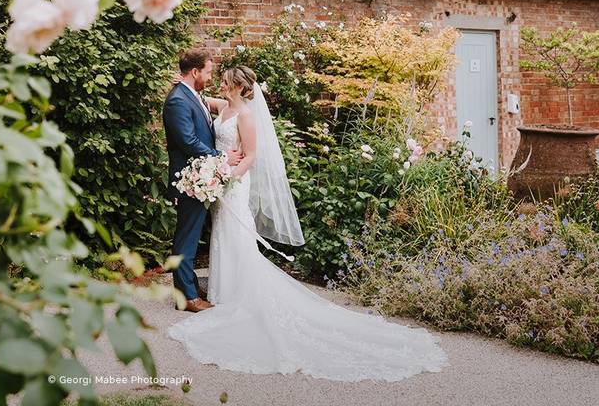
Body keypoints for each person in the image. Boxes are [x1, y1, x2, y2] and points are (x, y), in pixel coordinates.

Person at [167, 65, 448, 381]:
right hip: (220, 182)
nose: (220, 83)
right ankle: (223, 292)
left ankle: (240, 294)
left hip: (234, 183)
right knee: (222, 233)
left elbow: (251, 156)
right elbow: (200, 103)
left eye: (225, 81)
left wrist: (225, 175)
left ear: (236, 86)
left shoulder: (246, 115)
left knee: (236, 233)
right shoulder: (224, 106)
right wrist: (185, 85)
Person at [162, 49, 242, 313]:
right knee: (186, 237)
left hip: (201, 177)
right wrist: (221, 156)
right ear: (195, 72)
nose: (210, 77)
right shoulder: (178, 101)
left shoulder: (192, 95)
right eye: (207, 72)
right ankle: (187, 298)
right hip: (190, 179)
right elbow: (187, 141)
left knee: (191, 234)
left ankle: (189, 287)